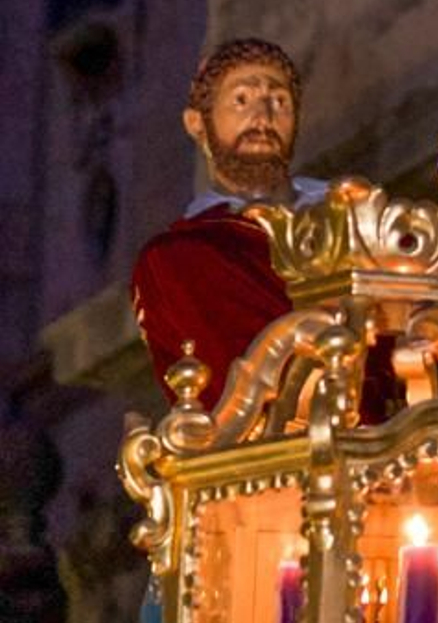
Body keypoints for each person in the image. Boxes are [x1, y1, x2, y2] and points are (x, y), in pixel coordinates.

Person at [130, 38, 325, 404]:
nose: (263, 117)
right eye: (242, 100)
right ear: (197, 123)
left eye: (279, 102)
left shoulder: (350, 217)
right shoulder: (181, 258)